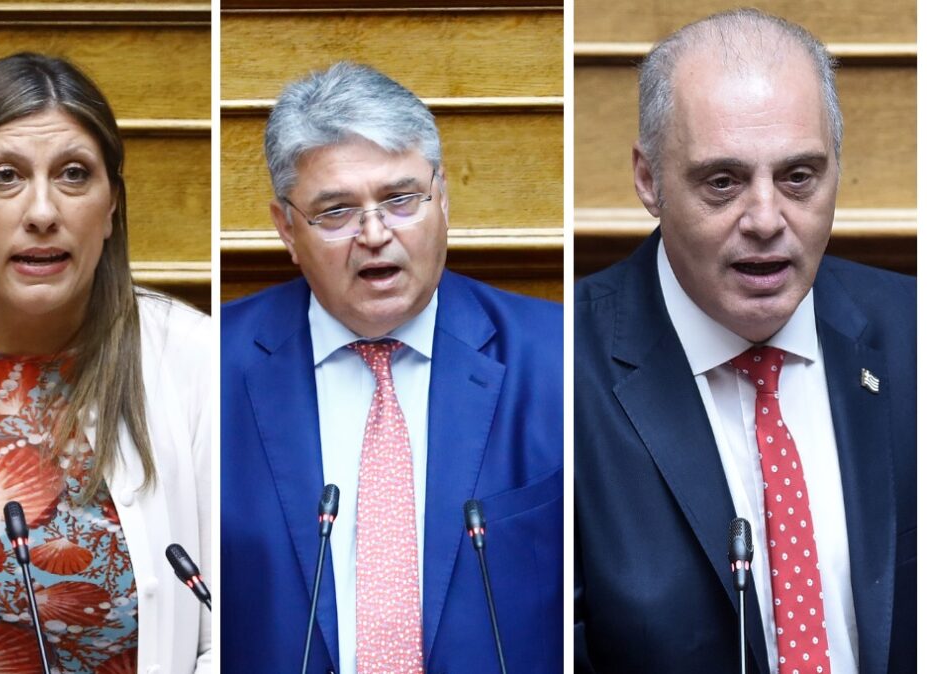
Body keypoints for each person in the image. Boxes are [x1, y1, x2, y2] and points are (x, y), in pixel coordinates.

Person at [574, 9, 914, 673]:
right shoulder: (565, 370)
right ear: (648, 180)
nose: (765, 219)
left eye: (798, 177)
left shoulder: (913, 332)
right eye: (722, 182)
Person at [0, 53, 212, 673]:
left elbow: (232, 631)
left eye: (74, 175)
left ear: (111, 207)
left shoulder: (198, 361)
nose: (43, 212)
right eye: (5, 176)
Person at [221, 62, 562, 673]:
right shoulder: (212, 366)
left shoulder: (556, 356)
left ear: (443, 199)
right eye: (336, 211)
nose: (375, 233)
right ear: (287, 229)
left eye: (401, 200)